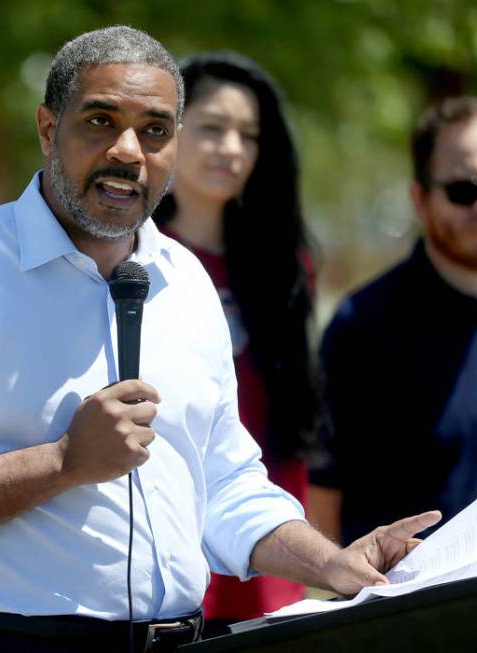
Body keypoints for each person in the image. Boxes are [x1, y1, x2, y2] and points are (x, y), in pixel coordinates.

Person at [0, 27, 440, 653]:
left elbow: (224, 480)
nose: (129, 150)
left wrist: (333, 564)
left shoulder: (187, 283)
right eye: (100, 121)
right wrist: (63, 462)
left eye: (155, 130)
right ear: (47, 128)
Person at [310, 96, 477, 566]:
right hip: (410, 623)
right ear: (419, 198)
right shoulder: (363, 324)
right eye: (465, 189)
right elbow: (323, 494)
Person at [152, 51, 323, 630]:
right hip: (172, 569)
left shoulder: (286, 270)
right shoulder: (132, 263)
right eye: (212, 128)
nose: (232, 148)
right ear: (169, 132)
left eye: (248, 135)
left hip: (268, 562)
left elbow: (291, 425)